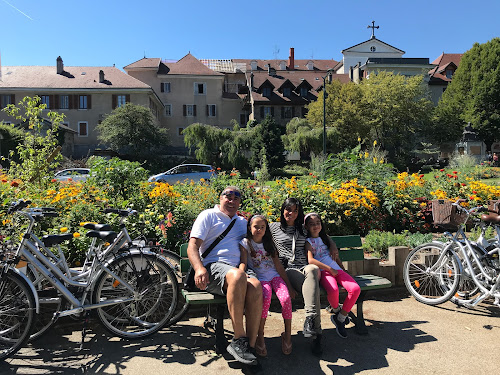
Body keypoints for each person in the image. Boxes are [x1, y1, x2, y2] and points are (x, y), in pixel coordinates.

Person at [187, 186, 263, 365]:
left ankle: (249, 348)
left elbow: (261, 235)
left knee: (256, 286)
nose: (232, 200)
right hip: (214, 268)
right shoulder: (208, 216)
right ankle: (239, 339)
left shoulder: (242, 222)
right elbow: (192, 246)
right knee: (237, 276)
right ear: (220, 198)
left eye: (236, 198)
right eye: (228, 196)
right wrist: (199, 269)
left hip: (238, 269)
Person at [269, 198, 324, 355]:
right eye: (288, 209)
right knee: (313, 291)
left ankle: (310, 321)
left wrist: (332, 245)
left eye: (295, 210)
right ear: (282, 209)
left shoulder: (303, 229)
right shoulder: (273, 228)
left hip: (304, 266)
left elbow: (322, 236)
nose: (291, 213)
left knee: (313, 270)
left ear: (299, 213)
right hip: (288, 269)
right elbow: (254, 235)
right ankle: (317, 335)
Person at [239, 214, 297, 356]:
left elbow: (278, 266)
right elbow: (243, 262)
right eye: (256, 227)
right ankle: (260, 336)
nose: (259, 230)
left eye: (262, 227)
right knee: (265, 298)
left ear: (266, 229)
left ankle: (287, 335)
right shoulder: (246, 243)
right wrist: (241, 273)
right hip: (260, 278)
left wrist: (289, 286)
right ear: (249, 227)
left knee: (285, 299)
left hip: (275, 277)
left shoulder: (269, 243)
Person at [304, 213, 360, 339]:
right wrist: (329, 269)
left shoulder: (325, 238)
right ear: (306, 227)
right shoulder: (308, 242)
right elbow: (311, 260)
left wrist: (343, 269)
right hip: (324, 271)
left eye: (318, 223)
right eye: (312, 224)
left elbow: (335, 256)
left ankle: (340, 318)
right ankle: (335, 310)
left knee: (355, 289)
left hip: (337, 269)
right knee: (333, 290)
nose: (315, 226)